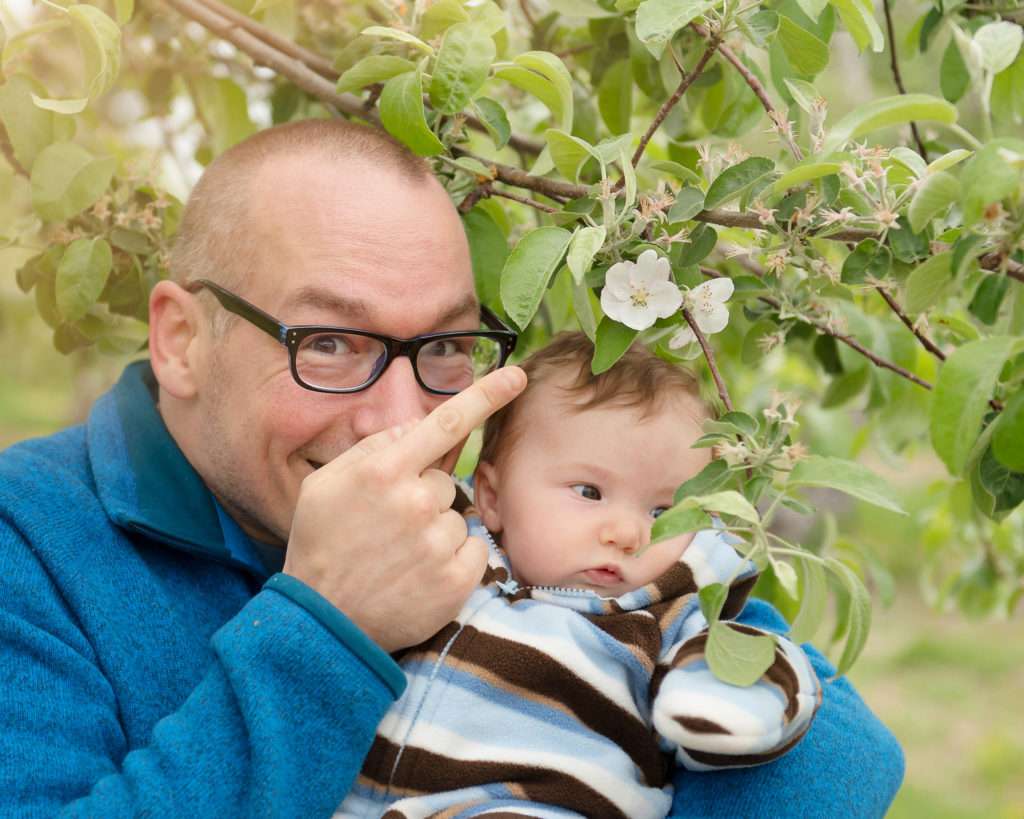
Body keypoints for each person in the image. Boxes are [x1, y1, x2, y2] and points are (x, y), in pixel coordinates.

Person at [0, 118, 903, 818]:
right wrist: (327, 629)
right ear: (183, 339)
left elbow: (844, 753)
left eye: (444, 347)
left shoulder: (490, 521)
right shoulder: (27, 540)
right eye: (330, 341)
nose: (402, 423)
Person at [336, 333, 822, 819]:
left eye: (664, 510)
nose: (628, 532)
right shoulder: (446, 544)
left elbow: (750, 657)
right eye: (589, 492)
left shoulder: (662, 613)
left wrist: (725, 700)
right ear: (492, 496)